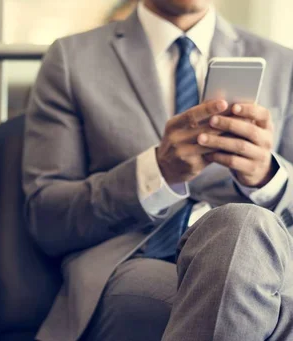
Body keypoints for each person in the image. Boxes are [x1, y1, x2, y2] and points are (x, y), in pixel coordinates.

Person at [23, 0, 293, 340]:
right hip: (138, 257)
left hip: (272, 264)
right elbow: (47, 218)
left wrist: (268, 178)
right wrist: (156, 172)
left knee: (244, 233)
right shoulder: (72, 58)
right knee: (245, 246)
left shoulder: (283, 63)